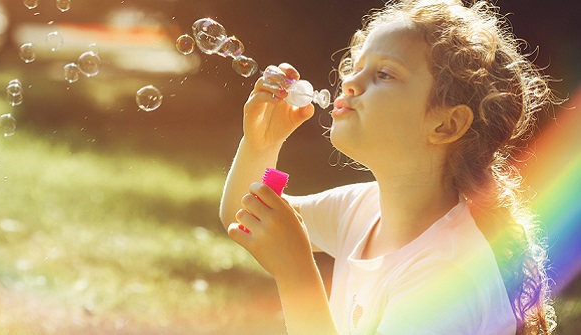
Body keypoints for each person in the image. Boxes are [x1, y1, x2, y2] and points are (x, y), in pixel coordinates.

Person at [218, 0, 559, 334]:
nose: (349, 82)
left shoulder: (447, 275)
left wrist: (296, 274)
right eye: (355, 66)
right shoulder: (361, 210)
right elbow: (245, 217)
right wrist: (261, 144)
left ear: (446, 124)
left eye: (384, 74)